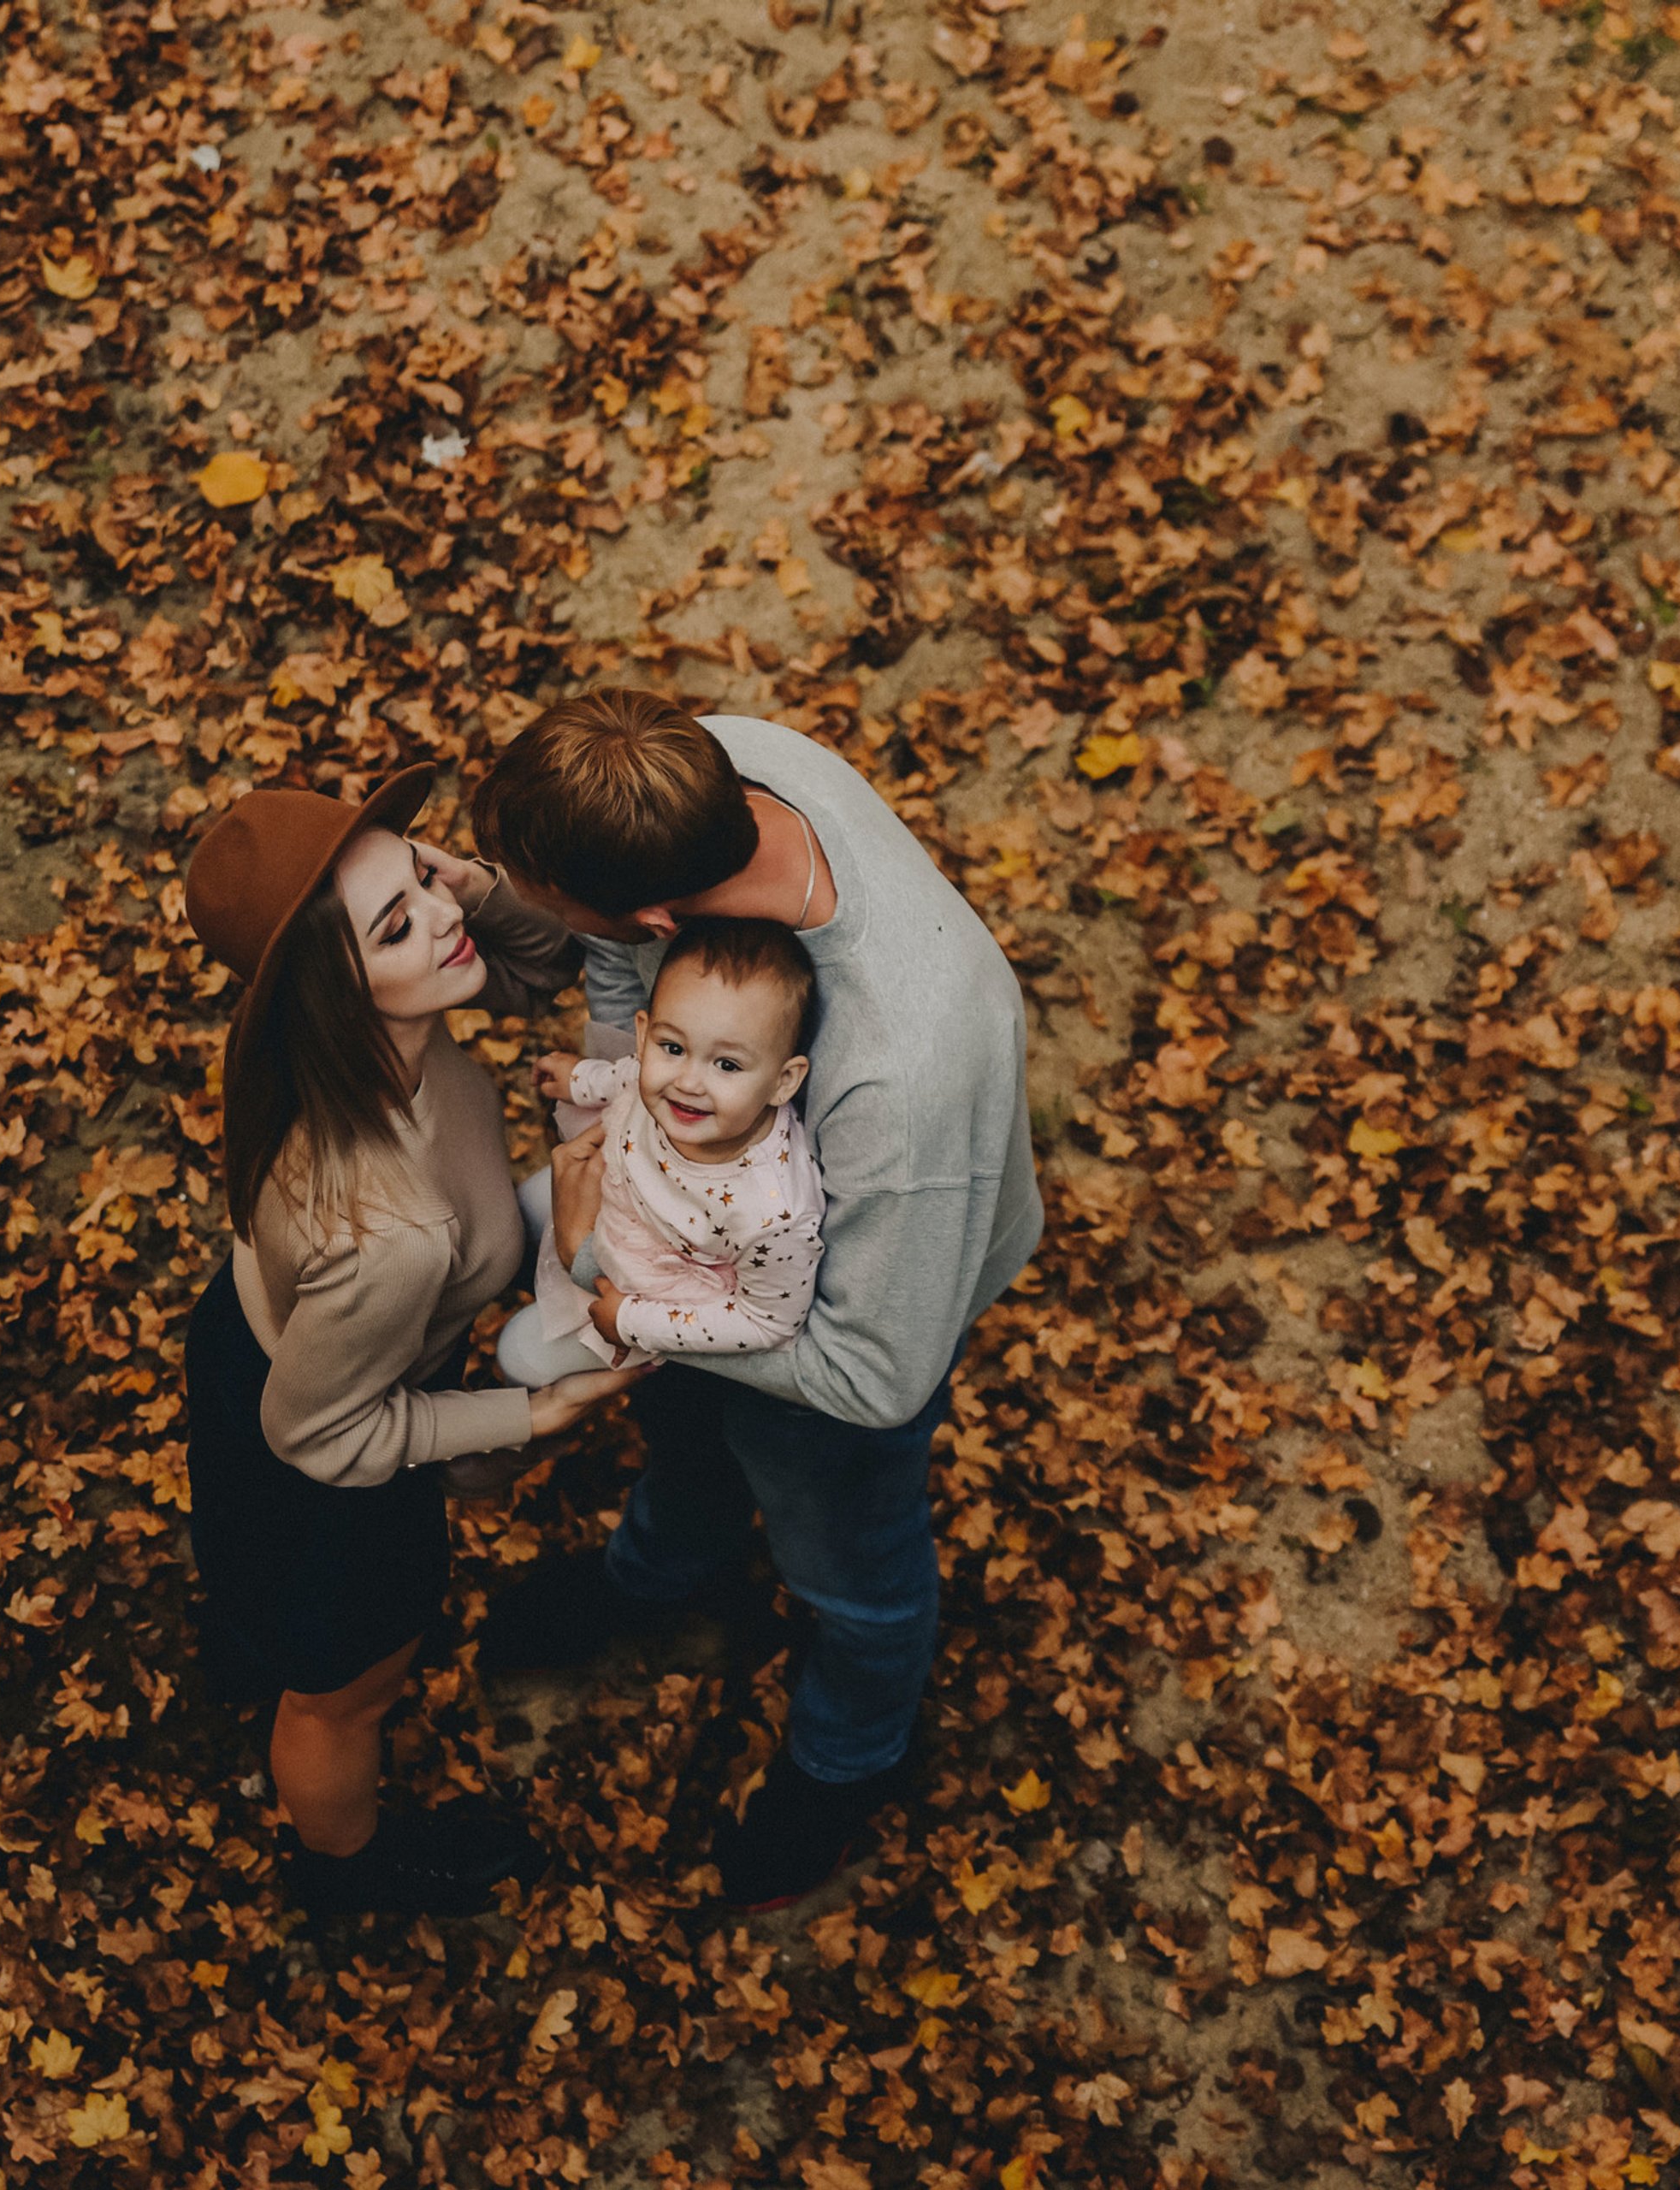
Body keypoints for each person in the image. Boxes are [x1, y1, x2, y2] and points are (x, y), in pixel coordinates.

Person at [470, 690, 1043, 1909]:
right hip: (691, 1246)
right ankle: (662, 1571)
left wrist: (620, 1301)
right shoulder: (701, 773)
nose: (543, 922)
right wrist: (607, 1120)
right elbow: (622, 970)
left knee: (850, 1562)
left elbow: (870, 1372)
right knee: (684, 1432)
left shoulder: (904, 1071)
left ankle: (847, 1757)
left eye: (553, 907)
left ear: (665, 908)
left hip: (854, 1310)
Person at [182, 766, 639, 1920]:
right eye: (398, 922)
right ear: (336, 989)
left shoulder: (363, 1046)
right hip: (330, 1443)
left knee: (276, 1613)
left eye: (419, 874)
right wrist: (527, 1417)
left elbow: (555, 958)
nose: (446, 919)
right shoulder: (391, 1232)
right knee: (348, 1688)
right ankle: (347, 1877)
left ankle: (257, 1640)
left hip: (281, 1336)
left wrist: (461, 882)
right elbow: (317, 1433)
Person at [495, 916, 825, 1383]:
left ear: (783, 1081)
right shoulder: (671, 1084)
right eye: (672, 1047)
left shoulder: (773, 1217)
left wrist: (631, 1321)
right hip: (622, 1201)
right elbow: (627, 1073)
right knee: (528, 1207)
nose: (687, 1083)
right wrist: (579, 1079)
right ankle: (515, 1274)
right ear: (646, 1032)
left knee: (519, 1358)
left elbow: (768, 1321)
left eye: (727, 1064)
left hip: (659, 1290)